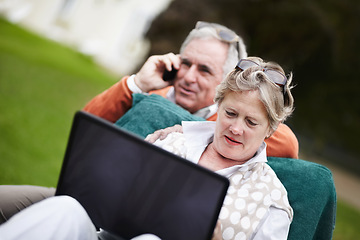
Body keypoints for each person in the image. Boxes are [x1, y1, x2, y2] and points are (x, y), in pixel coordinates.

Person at [0, 21, 298, 224]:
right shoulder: (154, 94)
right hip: (87, 198)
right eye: (185, 63)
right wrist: (135, 84)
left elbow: (284, 141)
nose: (188, 76)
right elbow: (88, 125)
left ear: (226, 81)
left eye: (204, 70)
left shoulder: (226, 119)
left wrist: (192, 126)